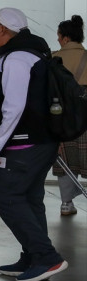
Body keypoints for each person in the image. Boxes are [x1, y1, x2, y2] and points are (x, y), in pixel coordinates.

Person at [0, 7, 69, 281]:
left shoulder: (17, 59)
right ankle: (33, 257)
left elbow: (14, 107)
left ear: (5, 30)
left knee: (6, 198)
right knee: (30, 199)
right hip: (40, 141)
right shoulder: (32, 53)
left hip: (23, 145)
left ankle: (47, 257)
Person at [52, 14, 86, 217]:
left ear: (64, 38)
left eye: (58, 35)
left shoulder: (53, 59)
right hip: (86, 117)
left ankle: (66, 203)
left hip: (62, 117)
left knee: (65, 161)